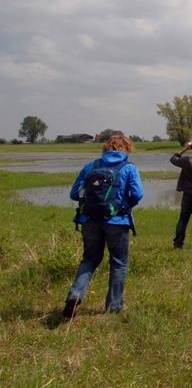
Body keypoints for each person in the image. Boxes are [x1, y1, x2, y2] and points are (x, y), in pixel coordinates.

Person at [63, 133, 144, 318]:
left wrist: (91, 202)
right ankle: (114, 306)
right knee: (118, 263)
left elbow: (75, 193)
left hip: (89, 220)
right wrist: (123, 206)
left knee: (90, 259)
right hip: (118, 221)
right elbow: (138, 194)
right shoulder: (129, 168)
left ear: (105, 148)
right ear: (127, 149)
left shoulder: (91, 166)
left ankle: (75, 293)